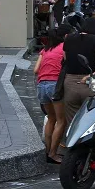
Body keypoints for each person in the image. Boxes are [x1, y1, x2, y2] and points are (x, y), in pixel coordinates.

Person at [62, 17, 95, 125]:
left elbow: (65, 59)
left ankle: (73, 141)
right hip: (88, 82)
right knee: (89, 122)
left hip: (69, 83)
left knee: (72, 124)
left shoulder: (69, 38)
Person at [34, 25, 71, 164]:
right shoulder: (63, 48)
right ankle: (53, 153)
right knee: (61, 121)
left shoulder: (45, 50)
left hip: (41, 85)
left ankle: (48, 151)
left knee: (51, 118)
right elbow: (69, 64)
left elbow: (36, 70)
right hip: (55, 86)